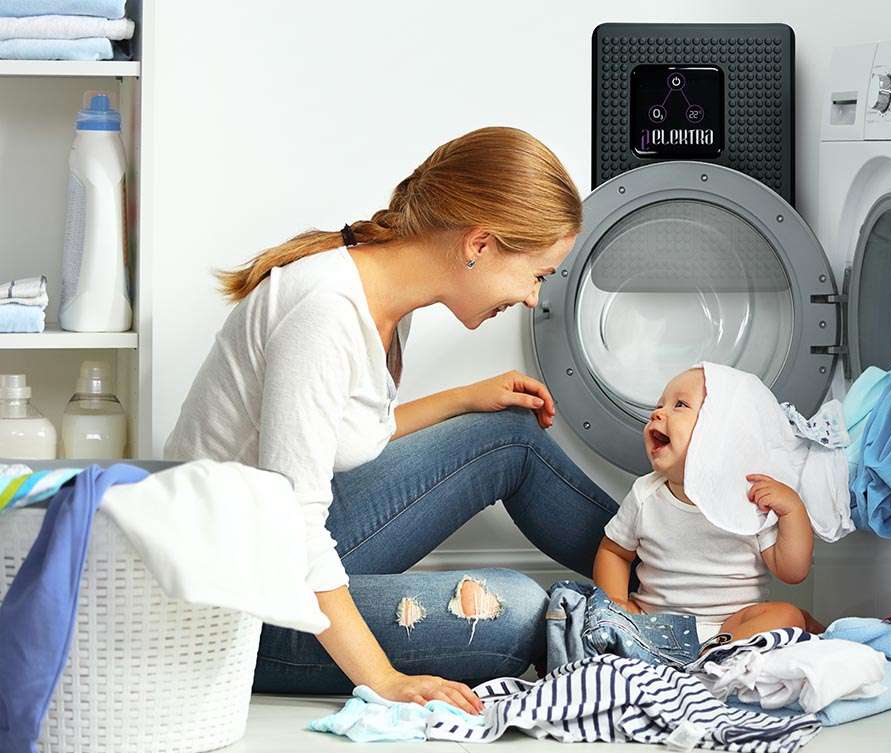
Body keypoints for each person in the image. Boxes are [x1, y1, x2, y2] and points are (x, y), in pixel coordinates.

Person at [165, 127, 618, 714]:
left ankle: (672, 584)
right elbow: (293, 523)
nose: (534, 298)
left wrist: (462, 398)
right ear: (479, 243)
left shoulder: (382, 299)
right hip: (237, 604)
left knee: (508, 431)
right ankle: (642, 621)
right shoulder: (325, 314)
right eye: (537, 274)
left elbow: (337, 436)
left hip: (272, 550)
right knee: (513, 610)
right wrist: (383, 680)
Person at [592, 367, 824, 645]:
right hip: (655, 623)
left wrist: (792, 511)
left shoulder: (750, 496)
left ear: (721, 430)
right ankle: (687, 656)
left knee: (788, 616)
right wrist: (617, 605)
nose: (657, 413)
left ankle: (716, 652)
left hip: (733, 624)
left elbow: (793, 571)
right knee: (587, 613)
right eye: (659, 405)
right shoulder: (646, 494)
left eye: (679, 405)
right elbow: (614, 552)